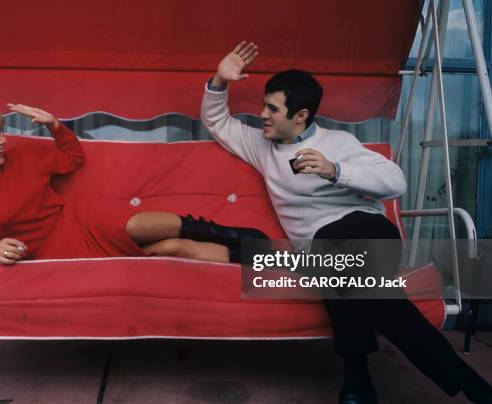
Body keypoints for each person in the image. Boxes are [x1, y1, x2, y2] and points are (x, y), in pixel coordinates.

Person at [201, 41, 492, 404]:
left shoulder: (338, 143)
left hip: (369, 231)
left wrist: (335, 171)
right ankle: (470, 386)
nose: (262, 114)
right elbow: (217, 122)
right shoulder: (262, 146)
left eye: (272, 108)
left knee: (339, 249)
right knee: (381, 297)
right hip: (326, 251)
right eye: (264, 105)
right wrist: (218, 80)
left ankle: (358, 379)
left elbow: (395, 182)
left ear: (300, 115)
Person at [0, 92, 268, 270]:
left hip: (80, 216)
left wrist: (55, 125)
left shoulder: (21, 156)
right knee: (170, 249)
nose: (3, 141)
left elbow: (73, 158)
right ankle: (254, 259)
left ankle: (246, 240)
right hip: (57, 251)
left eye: (1, 132)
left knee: (138, 223)